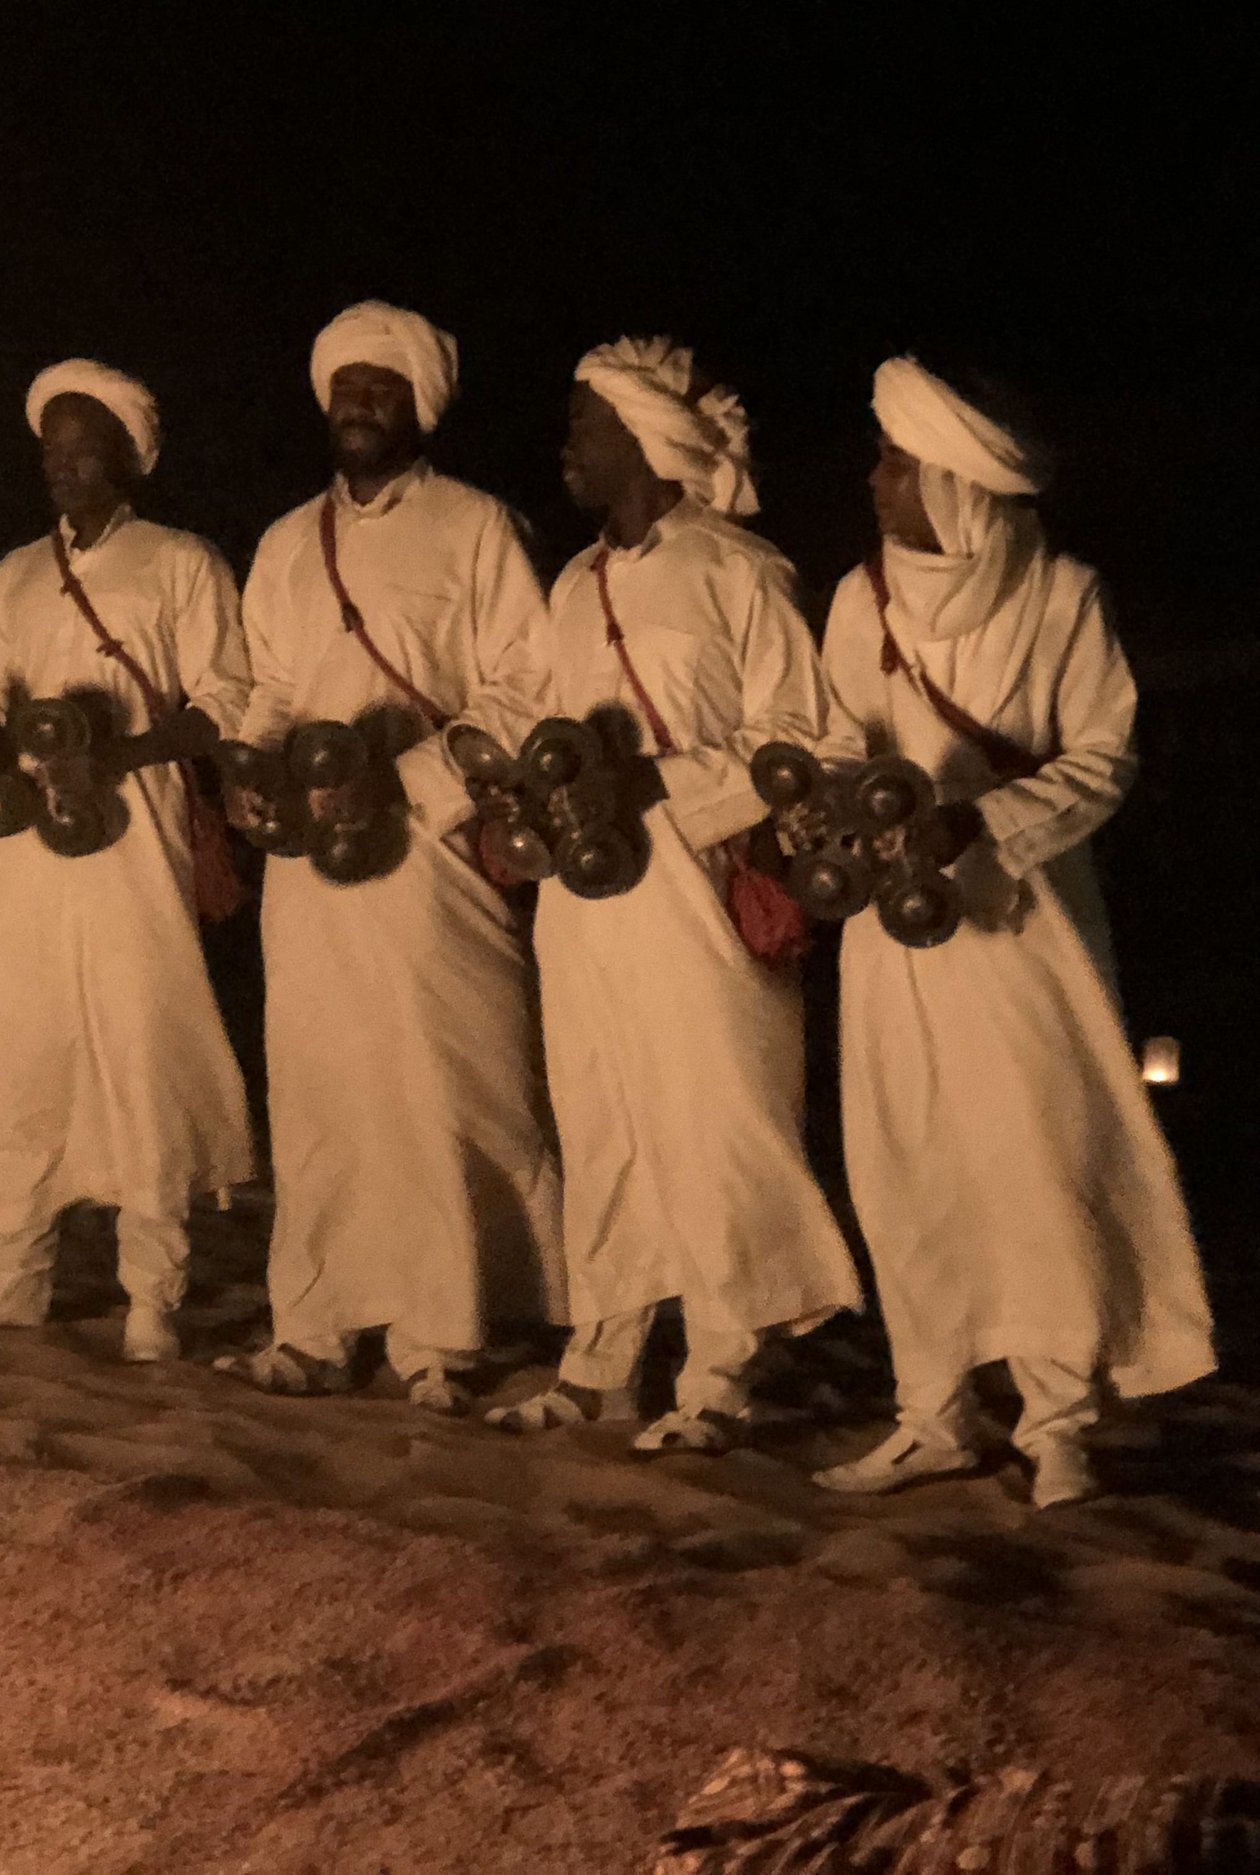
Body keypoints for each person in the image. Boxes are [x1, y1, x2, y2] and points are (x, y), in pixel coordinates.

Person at [810, 357, 1212, 1508]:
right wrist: (847, 814)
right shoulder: (858, 598)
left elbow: (1102, 755)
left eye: (896, 463)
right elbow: (840, 735)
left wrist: (980, 822)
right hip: (893, 932)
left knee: (1037, 1154)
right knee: (908, 1156)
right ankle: (930, 1413)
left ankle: (1058, 1422)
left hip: (1025, 922)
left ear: (956, 486)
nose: (876, 481)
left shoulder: (1062, 595)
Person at [487, 338, 862, 1453]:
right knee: (601, 1119)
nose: (566, 446)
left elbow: (809, 739)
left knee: (715, 1119)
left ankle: (718, 1378)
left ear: (645, 443)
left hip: (695, 887)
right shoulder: (571, 584)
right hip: (583, 900)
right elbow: (537, 723)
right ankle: (598, 1364)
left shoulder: (740, 570)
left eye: (583, 426)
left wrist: (660, 785)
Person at [218, 301, 563, 1411]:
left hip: (429, 847)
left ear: (421, 404)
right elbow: (266, 687)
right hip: (309, 859)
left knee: (439, 1081)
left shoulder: (477, 527)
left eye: (384, 388)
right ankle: (313, 1325)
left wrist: (413, 783)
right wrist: (253, 768)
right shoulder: (280, 543)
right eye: (347, 387)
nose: (362, 405)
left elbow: (523, 685)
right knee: (319, 1080)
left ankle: (439, 1337)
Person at [0, 362, 252, 1361]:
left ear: (129, 457)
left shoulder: (181, 562)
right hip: (26, 855)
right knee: (22, 1045)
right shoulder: (14, 574)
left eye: (82, 448)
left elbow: (226, 700)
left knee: (141, 1045)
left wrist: (118, 755)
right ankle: (14, 1274)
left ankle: (153, 1296)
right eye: (48, 452)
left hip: (134, 840)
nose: (60, 467)